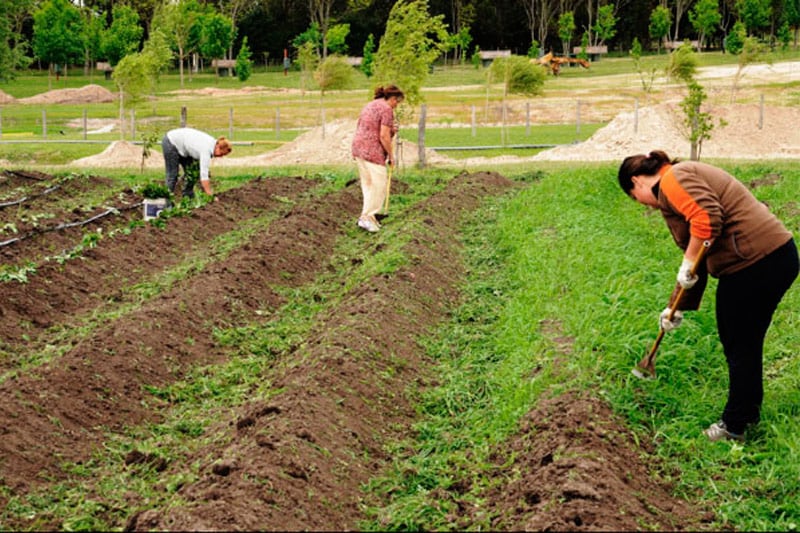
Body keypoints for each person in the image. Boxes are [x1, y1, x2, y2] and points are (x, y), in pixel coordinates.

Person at [618, 150, 798, 442]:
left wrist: (687, 265)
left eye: (634, 197)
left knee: (739, 341)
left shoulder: (675, 178)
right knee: (741, 340)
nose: (643, 204)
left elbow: (706, 220)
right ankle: (746, 415)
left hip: (757, 261)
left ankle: (734, 425)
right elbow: (700, 252)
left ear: (637, 181)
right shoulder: (675, 187)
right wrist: (675, 307)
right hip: (769, 258)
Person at [351, 84, 404, 232]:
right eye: (397, 102)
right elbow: (383, 136)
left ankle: (367, 217)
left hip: (358, 147)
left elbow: (368, 126)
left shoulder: (371, 105)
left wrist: (392, 131)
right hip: (372, 150)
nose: (396, 106)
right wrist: (391, 156)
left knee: (368, 184)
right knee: (379, 184)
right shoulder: (386, 109)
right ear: (392, 99)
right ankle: (368, 217)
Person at [161, 127, 232, 201]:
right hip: (171, 141)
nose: (221, 157)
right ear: (218, 147)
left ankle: (187, 196)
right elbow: (204, 176)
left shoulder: (212, 144)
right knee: (172, 175)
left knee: (192, 172)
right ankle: (166, 202)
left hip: (184, 147)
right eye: (221, 154)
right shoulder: (206, 150)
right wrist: (210, 195)